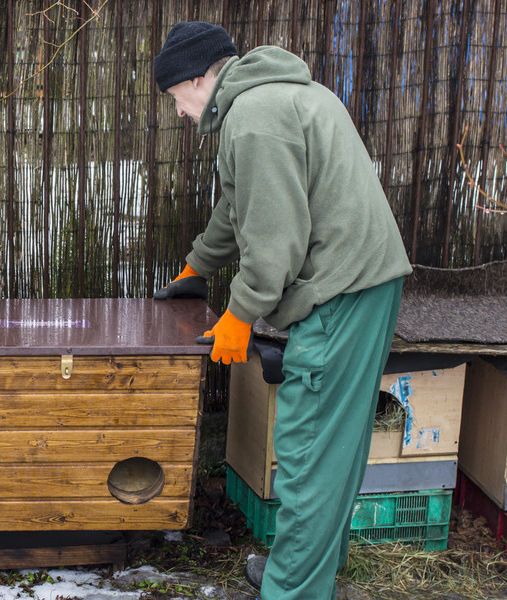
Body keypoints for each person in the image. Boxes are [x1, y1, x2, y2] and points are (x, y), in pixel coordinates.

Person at [151, 22, 413, 600]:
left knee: (309, 449)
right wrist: (197, 268)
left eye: (175, 97)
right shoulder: (274, 97)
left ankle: (294, 589)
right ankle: (305, 570)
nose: (178, 111)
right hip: (365, 284)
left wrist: (241, 314)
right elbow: (237, 205)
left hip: (339, 294)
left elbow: (275, 242)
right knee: (333, 449)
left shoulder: (254, 117)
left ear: (198, 78)